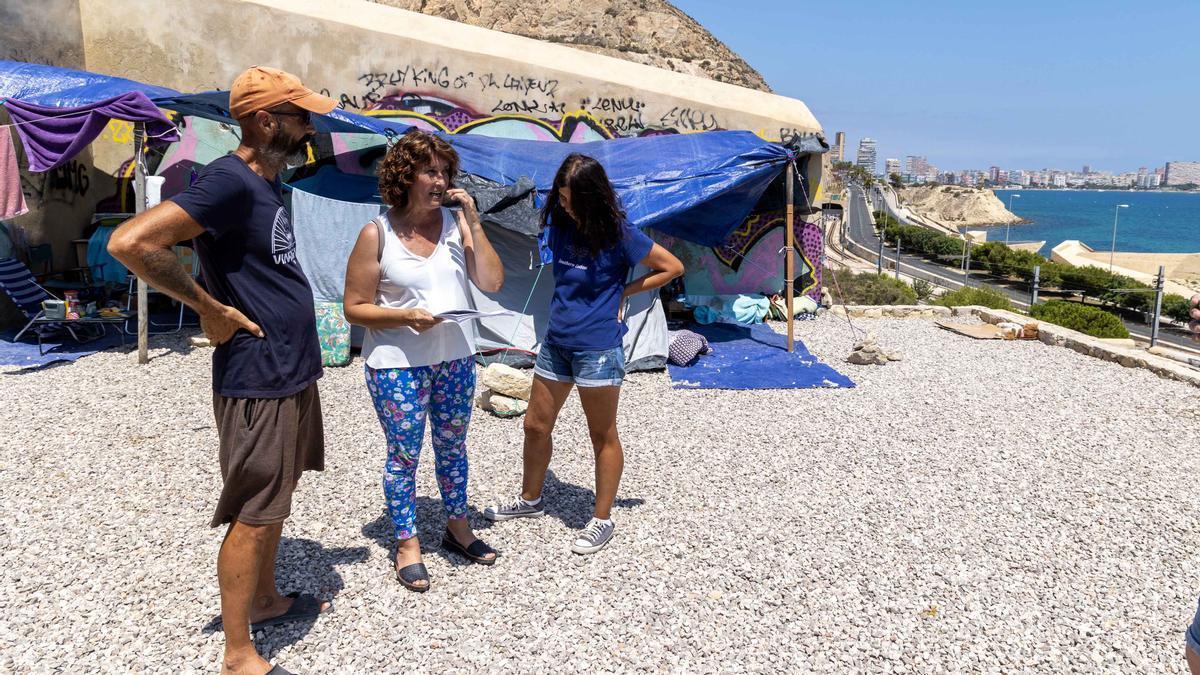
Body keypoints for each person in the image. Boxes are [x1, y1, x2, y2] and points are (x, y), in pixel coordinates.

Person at [108, 66, 335, 675]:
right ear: (267, 122)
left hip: (288, 369)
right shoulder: (230, 182)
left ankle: (264, 601)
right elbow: (131, 243)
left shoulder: (264, 183)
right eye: (301, 116)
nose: (311, 126)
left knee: (275, 496)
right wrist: (208, 307)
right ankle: (239, 654)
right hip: (259, 373)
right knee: (255, 509)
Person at [484, 153, 683, 555]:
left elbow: (672, 267)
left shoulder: (620, 234)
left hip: (598, 349)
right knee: (535, 427)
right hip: (557, 343)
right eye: (560, 194)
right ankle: (531, 500)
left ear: (592, 197)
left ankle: (602, 519)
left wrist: (625, 292)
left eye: (571, 196)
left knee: (601, 434)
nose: (563, 202)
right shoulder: (558, 223)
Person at [343, 130, 504, 592]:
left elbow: (491, 282)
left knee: (453, 448)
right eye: (430, 171)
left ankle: (457, 528)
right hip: (396, 363)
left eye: (445, 172)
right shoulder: (377, 232)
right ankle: (407, 543)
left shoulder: (458, 226)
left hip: (455, 358)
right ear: (406, 175)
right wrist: (403, 316)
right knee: (404, 455)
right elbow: (354, 307)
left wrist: (473, 218)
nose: (440, 180)